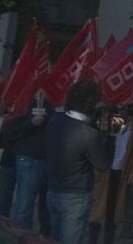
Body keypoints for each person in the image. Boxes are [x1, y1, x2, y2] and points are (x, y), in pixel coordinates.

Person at [45, 80, 113, 244]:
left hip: (53, 190)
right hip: (76, 196)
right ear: (91, 102)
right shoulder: (88, 132)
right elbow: (103, 164)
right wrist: (109, 136)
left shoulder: (55, 120)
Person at [90, 106, 133, 244]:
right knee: (98, 208)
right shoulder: (104, 120)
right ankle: (92, 239)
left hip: (121, 171)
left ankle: (108, 239)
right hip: (104, 170)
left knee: (114, 209)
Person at [0, 104, 52, 233]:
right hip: (24, 159)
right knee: (22, 206)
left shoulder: (54, 104)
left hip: (48, 159)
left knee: (46, 208)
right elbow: (6, 135)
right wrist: (30, 123)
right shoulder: (22, 102)